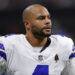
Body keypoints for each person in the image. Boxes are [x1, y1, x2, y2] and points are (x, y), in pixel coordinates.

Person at [0, 4, 75, 75]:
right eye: (41, 18)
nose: (47, 21)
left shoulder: (64, 45)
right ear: (27, 24)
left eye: (48, 17)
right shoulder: (8, 46)